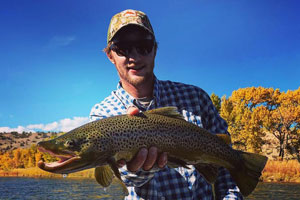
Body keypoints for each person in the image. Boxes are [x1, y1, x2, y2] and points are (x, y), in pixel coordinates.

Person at [90, 9, 243, 200]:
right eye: (123, 48)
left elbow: (227, 173)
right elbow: (126, 178)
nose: (134, 56)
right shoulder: (102, 114)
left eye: (143, 46)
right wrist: (139, 168)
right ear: (110, 55)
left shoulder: (196, 98)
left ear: (155, 49)